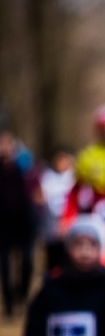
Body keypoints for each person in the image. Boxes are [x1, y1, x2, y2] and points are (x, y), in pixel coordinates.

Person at [0, 130, 36, 318]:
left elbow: (35, 187)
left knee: (27, 262)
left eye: (6, 144)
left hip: (25, 222)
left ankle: (21, 293)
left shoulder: (24, 166)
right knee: (5, 265)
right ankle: (8, 304)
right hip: (3, 224)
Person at [34, 147, 77, 273]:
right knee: (52, 259)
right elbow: (39, 196)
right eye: (59, 159)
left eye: (64, 159)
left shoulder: (75, 177)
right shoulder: (46, 177)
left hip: (70, 225)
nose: (61, 163)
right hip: (51, 225)